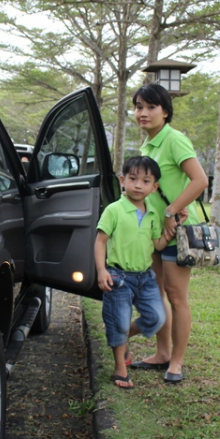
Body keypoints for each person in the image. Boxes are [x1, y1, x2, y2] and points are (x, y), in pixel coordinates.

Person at [128, 83, 209, 384]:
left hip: (179, 230)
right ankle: (162, 353)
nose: (143, 113)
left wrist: (171, 211)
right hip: (155, 231)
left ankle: (177, 361)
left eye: (150, 107)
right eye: (138, 107)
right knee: (156, 292)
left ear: (165, 110)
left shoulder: (174, 140)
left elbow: (200, 180)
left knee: (177, 296)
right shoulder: (148, 146)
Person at [94, 156, 170, 389]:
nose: (138, 185)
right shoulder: (114, 210)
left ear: (154, 187)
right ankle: (120, 368)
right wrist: (101, 270)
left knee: (156, 317)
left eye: (145, 181)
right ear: (122, 180)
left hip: (145, 277)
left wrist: (171, 230)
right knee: (119, 322)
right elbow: (100, 241)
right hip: (118, 277)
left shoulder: (153, 214)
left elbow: (157, 244)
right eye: (133, 179)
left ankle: (123, 338)